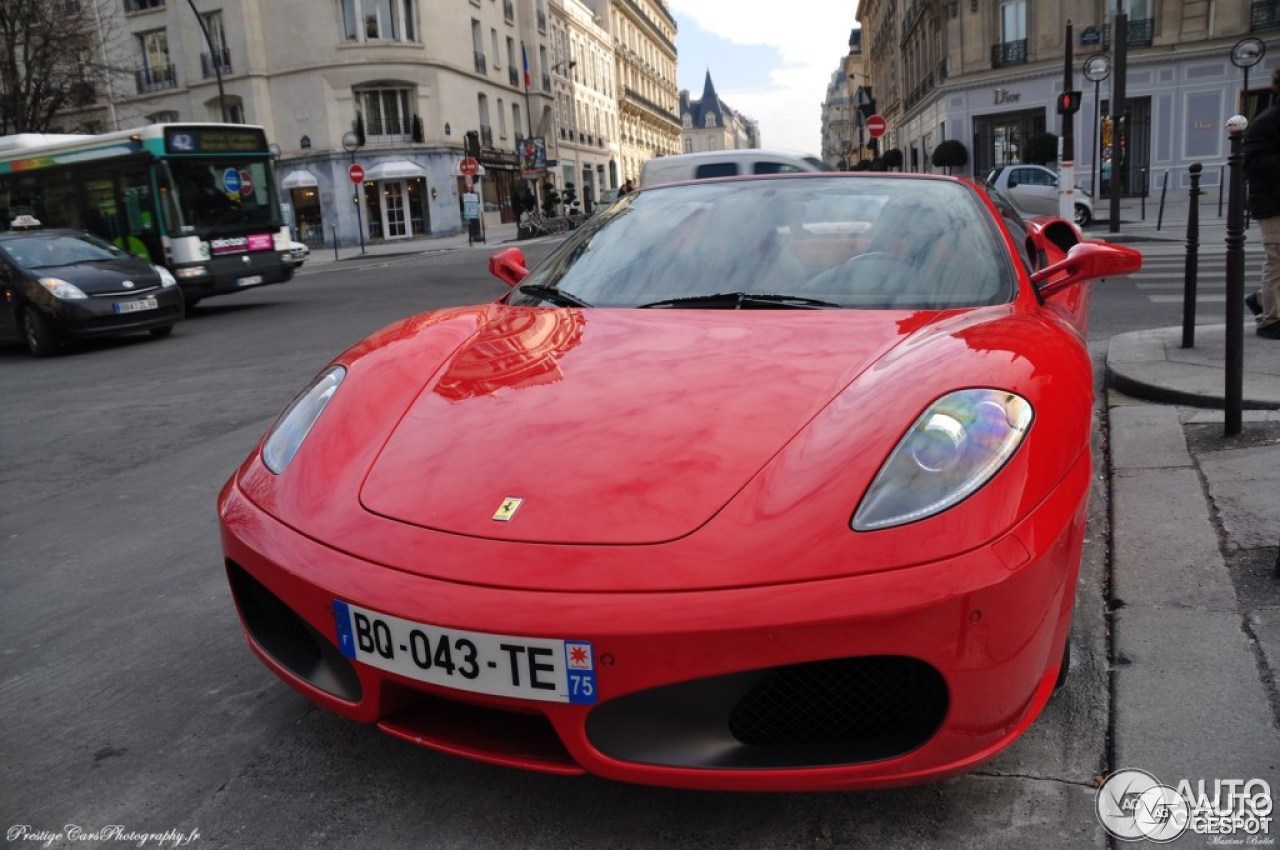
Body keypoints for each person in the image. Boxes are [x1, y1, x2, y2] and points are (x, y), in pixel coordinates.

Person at [1243, 66, 1280, 339]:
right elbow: (1252, 162)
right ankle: (1270, 320)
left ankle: (1261, 300)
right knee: (1277, 260)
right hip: (1273, 203)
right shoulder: (1268, 121)